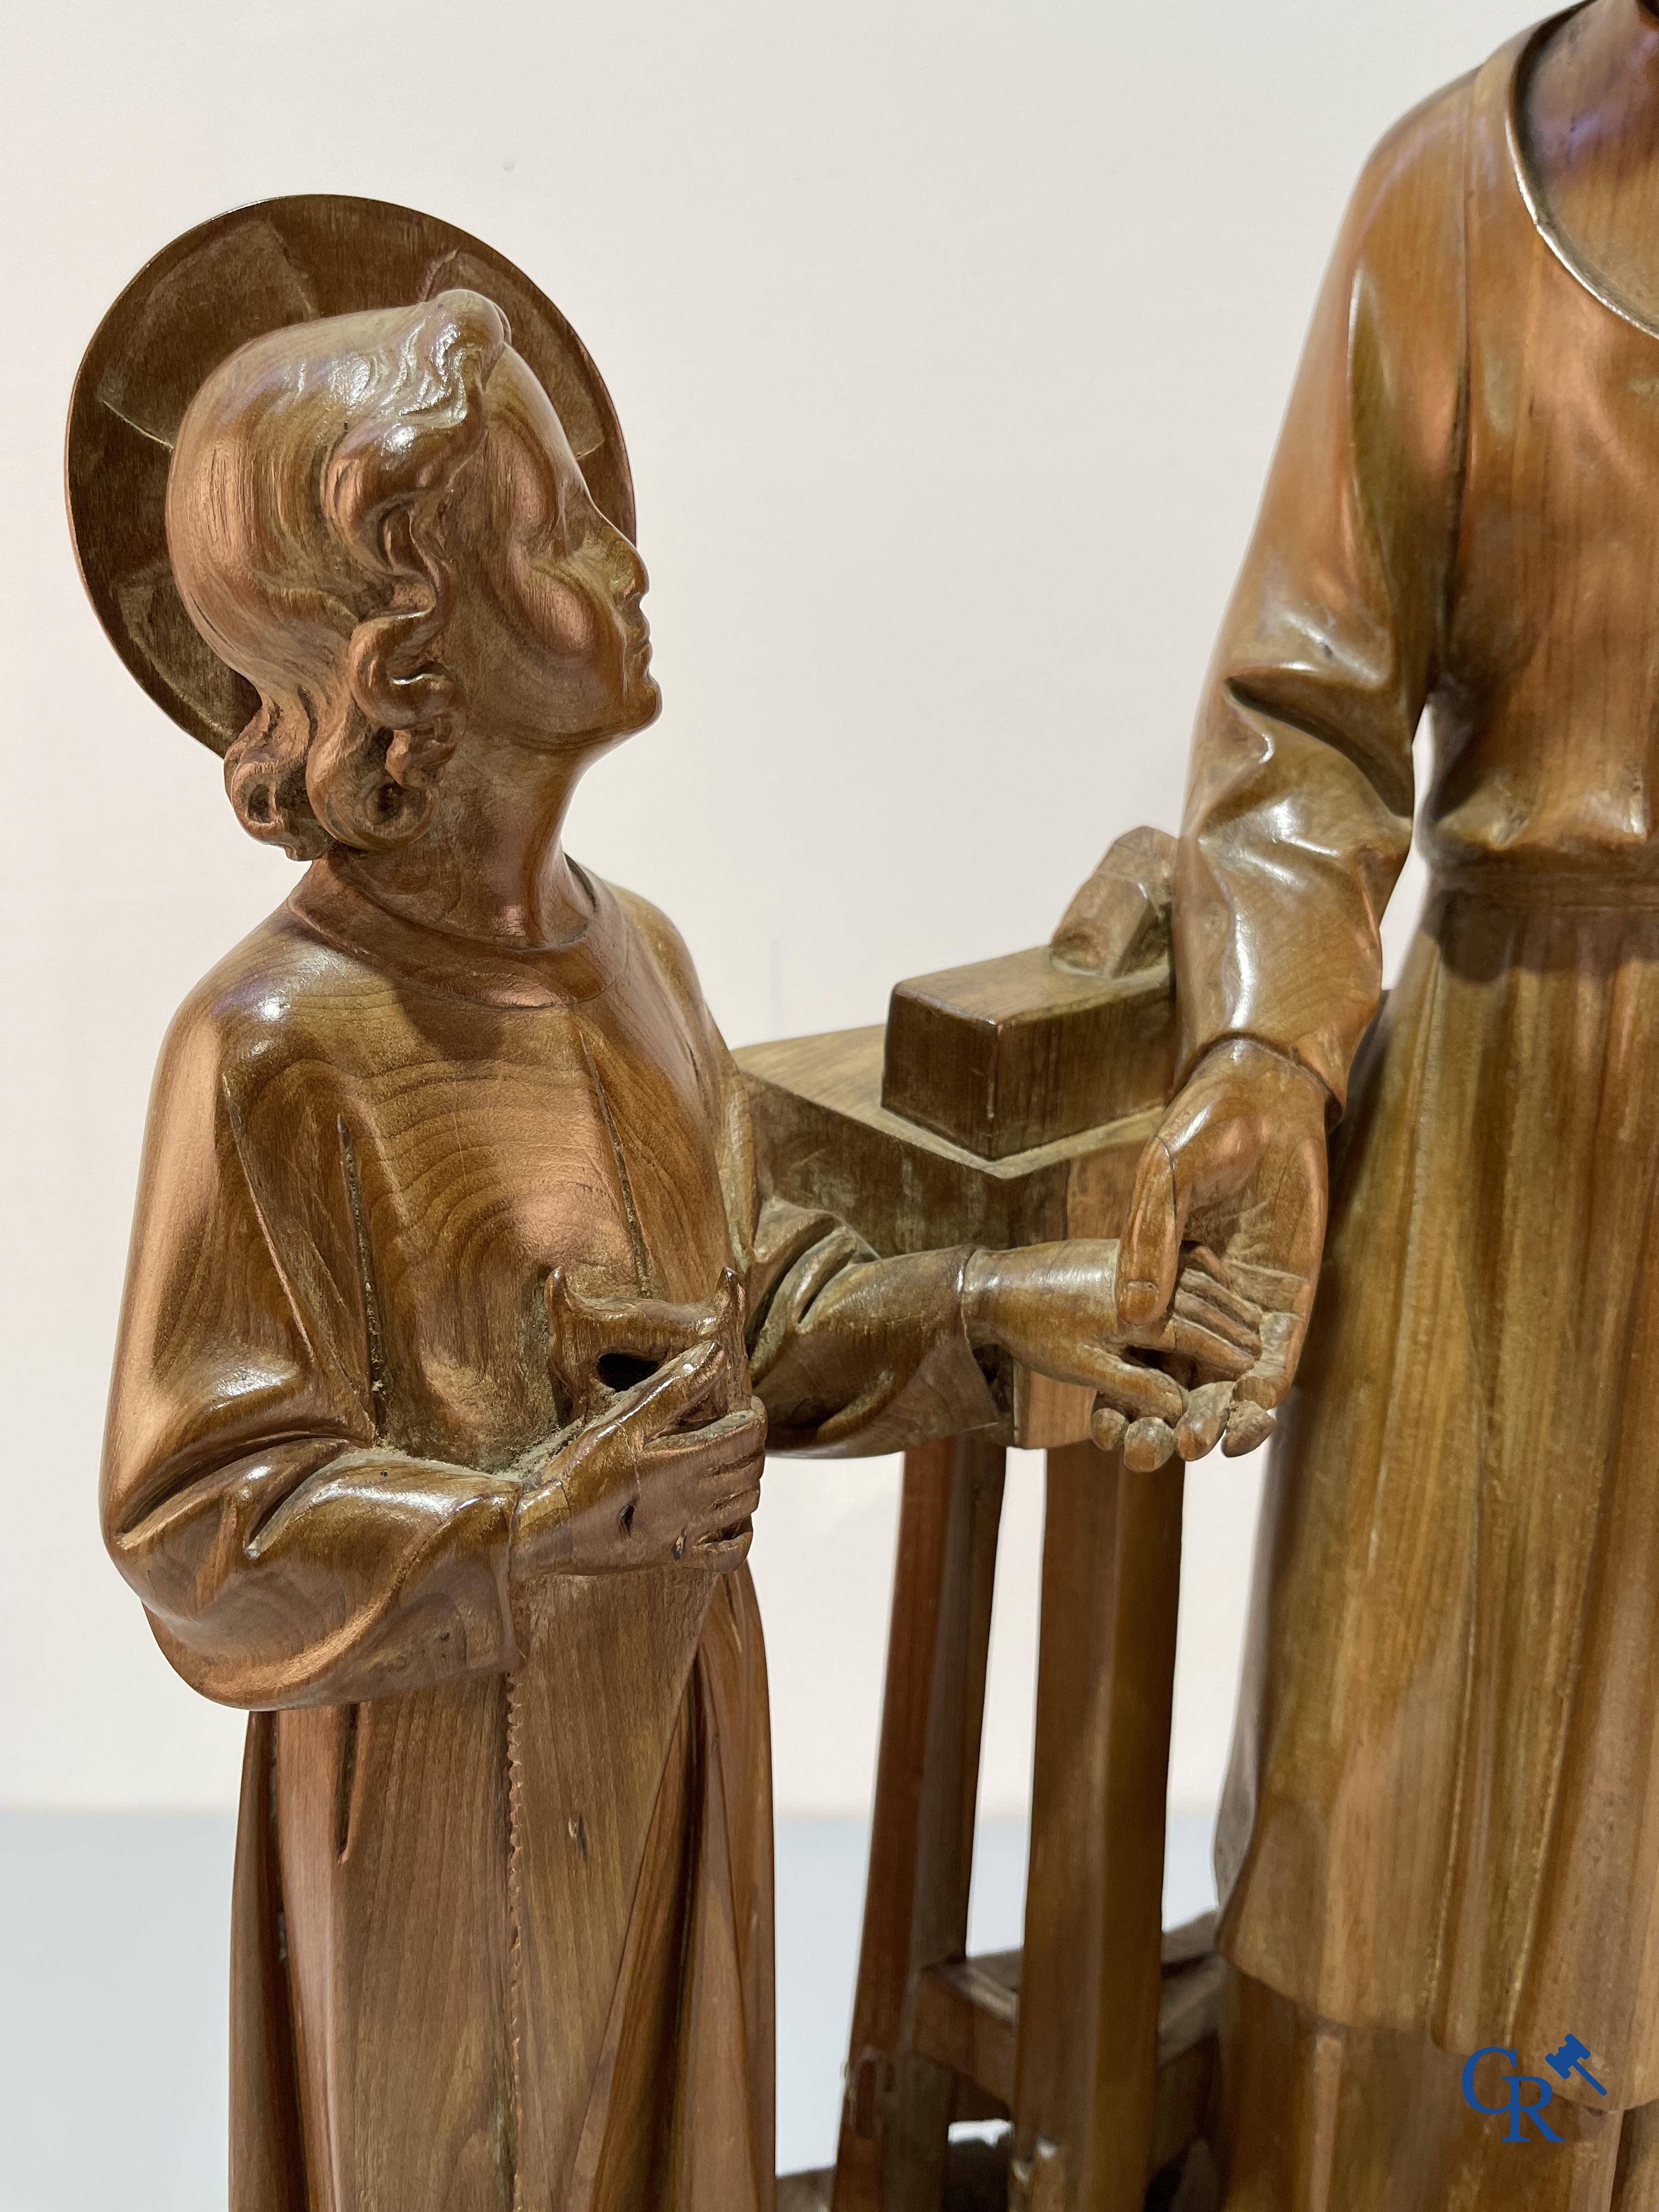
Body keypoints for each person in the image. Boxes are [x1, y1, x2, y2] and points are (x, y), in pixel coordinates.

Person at [100, 286, 1255, 2212]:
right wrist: (534, 1529)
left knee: (674, 2148)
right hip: (436, 1805)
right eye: (555, 526)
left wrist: (1010, 1312)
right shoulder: (280, 1050)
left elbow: (755, 1312)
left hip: (674, 1734)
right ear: (407, 656)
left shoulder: (637, 957)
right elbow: (195, 1519)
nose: (625, 556)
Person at [1083, 3, 1659, 2203]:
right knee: (1380, 1794)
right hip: (1502, 1116)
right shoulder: (1449, 199)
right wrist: (1259, 1051)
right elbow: (1304, 723)